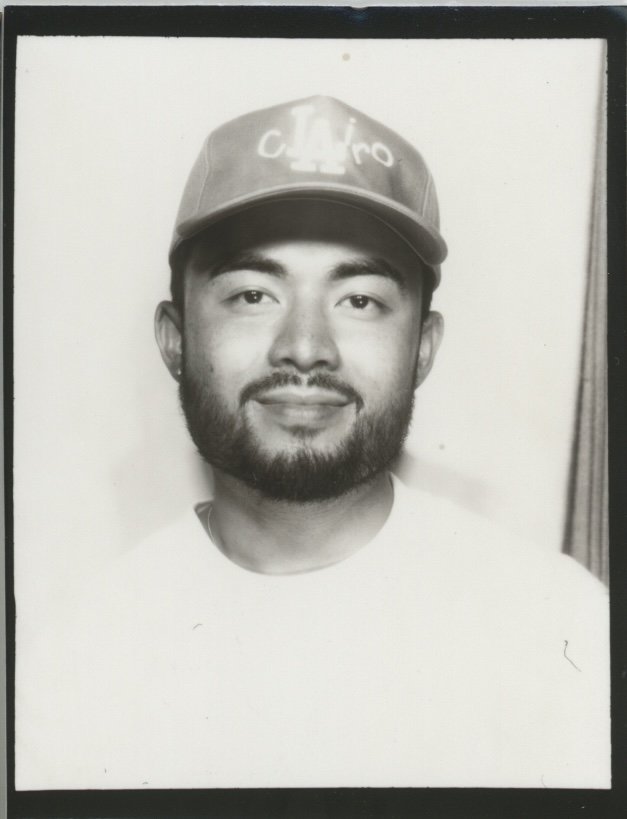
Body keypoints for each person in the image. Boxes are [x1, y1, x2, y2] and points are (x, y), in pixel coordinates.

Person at [16, 96, 610, 790]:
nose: (304, 346)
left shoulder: (559, 632)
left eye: (359, 300)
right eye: (252, 295)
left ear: (422, 348)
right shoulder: (73, 661)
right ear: (176, 340)